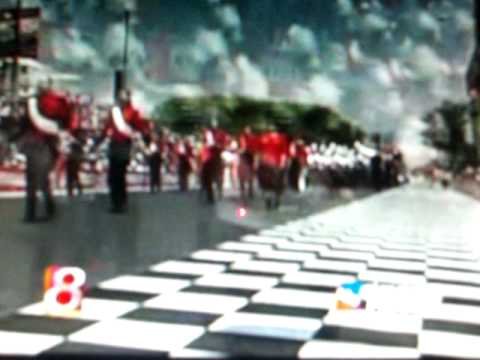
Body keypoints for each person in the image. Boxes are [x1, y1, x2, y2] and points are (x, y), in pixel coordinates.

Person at [96, 89, 150, 213]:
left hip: (125, 146)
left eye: (123, 97)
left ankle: (121, 203)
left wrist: (144, 139)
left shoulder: (133, 112)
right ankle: (115, 202)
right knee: (112, 176)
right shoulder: (115, 112)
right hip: (114, 145)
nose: (121, 99)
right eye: (120, 97)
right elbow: (107, 128)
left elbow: (141, 127)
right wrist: (98, 141)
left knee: (119, 175)